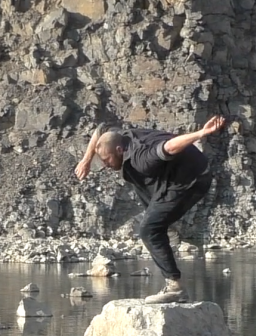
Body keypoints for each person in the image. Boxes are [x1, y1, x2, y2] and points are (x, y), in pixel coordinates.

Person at [75, 115, 227, 303]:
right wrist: (86, 160)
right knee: (143, 191)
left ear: (119, 149)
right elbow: (99, 130)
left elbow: (170, 146)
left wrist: (201, 133)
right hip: (171, 175)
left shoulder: (142, 158)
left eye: (107, 160)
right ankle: (165, 224)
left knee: (148, 230)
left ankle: (175, 287)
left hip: (192, 179)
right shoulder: (118, 136)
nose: (105, 165)